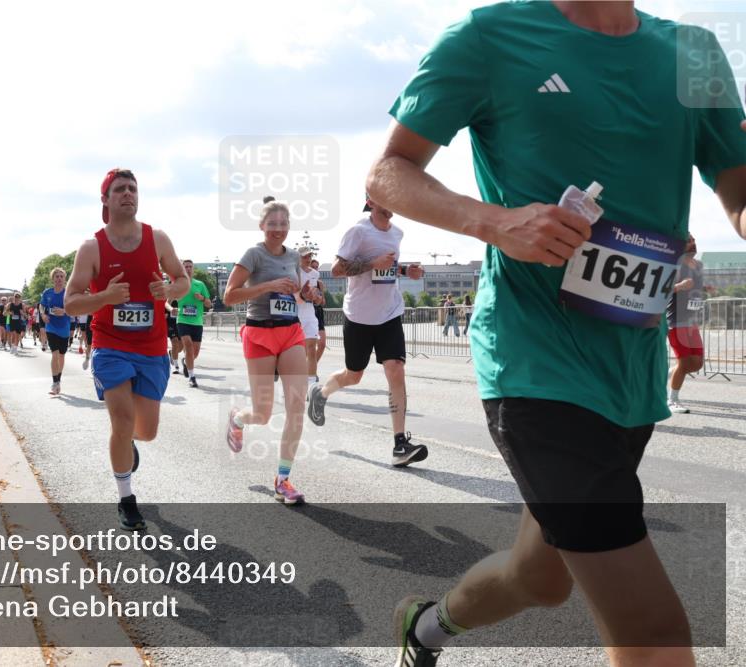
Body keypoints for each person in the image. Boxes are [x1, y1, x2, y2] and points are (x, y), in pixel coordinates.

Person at [367, 2, 746, 665]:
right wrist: (494, 222)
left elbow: (739, 196)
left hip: (629, 370)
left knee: (537, 577)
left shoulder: (695, 52)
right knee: (653, 630)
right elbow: (387, 173)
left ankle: (424, 628)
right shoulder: (489, 35)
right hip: (534, 360)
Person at [64, 167, 188, 531]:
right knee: (121, 419)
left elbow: (183, 281)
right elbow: (71, 303)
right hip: (110, 345)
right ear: (105, 199)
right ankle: (126, 499)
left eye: (132, 188)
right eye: (120, 189)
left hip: (151, 347)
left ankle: (128, 442)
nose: (128, 193)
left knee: (146, 431)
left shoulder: (157, 239)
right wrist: (104, 297)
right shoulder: (91, 248)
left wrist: (169, 290)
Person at [305, 197, 428, 467]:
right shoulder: (358, 232)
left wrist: (406, 270)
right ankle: (320, 393)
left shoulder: (397, 233)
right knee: (354, 375)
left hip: (390, 313)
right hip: (359, 316)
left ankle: (400, 444)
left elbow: (388, 267)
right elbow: (337, 270)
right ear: (371, 201)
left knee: (396, 369)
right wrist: (373, 263)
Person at [223, 200, 310, 505]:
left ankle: (283, 480)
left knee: (297, 406)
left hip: (290, 332)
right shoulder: (253, 255)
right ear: (262, 226)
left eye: (283, 224)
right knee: (262, 414)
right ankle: (238, 419)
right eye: (272, 224)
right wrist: (267, 285)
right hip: (259, 333)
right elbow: (229, 296)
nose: (278, 229)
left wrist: (305, 293)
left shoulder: (294, 256)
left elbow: (295, 292)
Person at [666, 234, 709, 413]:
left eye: (694, 240)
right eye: (688, 241)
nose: (693, 243)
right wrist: (680, 286)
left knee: (697, 364)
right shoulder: (675, 265)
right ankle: (672, 400)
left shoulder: (698, 265)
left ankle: (666, 374)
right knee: (684, 363)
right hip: (676, 321)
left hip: (692, 321)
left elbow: (695, 287)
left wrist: (704, 288)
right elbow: (662, 288)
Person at [175, 259, 212, 388]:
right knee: (188, 345)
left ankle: (186, 361)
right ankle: (192, 377)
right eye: (186, 267)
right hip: (182, 320)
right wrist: (171, 308)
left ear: (193, 269)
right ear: (182, 268)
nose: (188, 269)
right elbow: (167, 300)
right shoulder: (178, 284)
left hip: (197, 322)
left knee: (194, 353)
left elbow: (209, 304)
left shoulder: (200, 284)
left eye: (190, 267)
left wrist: (202, 298)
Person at [41, 268, 71, 395]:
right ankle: (55, 383)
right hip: (51, 327)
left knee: (61, 355)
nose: (59, 278)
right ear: (53, 279)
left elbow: (74, 308)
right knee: (55, 354)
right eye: (56, 276)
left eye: (61, 276)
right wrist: (43, 315)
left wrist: (64, 311)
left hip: (64, 328)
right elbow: (41, 306)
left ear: (64, 279)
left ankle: (58, 379)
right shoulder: (47, 293)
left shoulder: (68, 293)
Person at [296, 247, 323, 384]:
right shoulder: (294, 272)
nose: (308, 259)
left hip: (310, 314)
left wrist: (316, 298)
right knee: (299, 352)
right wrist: (303, 294)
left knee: (312, 348)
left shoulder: (315, 274)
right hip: (296, 314)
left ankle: (312, 384)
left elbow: (318, 298)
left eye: (309, 256)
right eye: (304, 257)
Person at [310, 257, 328, 362]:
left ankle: (312, 366)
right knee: (308, 345)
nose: (315, 269)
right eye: (313, 267)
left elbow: (323, 302)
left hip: (318, 313)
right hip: (307, 314)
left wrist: (319, 298)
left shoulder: (319, 283)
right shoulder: (303, 281)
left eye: (317, 267)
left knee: (322, 344)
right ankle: (306, 368)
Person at [165, 299, 183, 374]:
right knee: (175, 342)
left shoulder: (183, 297)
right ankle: (175, 366)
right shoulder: (169, 297)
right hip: (171, 324)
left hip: (181, 323)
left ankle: (172, 353)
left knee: (181, 347)